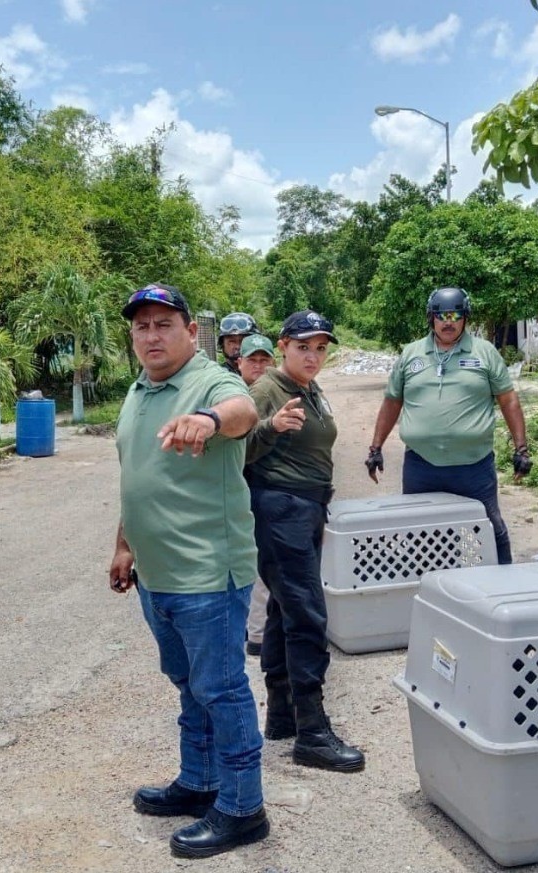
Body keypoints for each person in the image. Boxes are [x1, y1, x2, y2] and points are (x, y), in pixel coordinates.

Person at [108, 283, 270, 859]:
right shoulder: (139, 390)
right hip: (156, 575)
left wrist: (207, 418)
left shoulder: (210, 382)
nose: (151, 336)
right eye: (141, 326)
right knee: (189, 686)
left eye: (163, 324)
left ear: (189, 331)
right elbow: (137, 477)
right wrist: (125, 545)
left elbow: (244, 410)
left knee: (222, 690)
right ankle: (199, 782)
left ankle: (243, 808)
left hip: (207, 575)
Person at [245, 310, 365, 773]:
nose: (312, 355)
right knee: (307, 613)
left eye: (319, 348)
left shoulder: (308, 388)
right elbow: (237, 447)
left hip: (305, 508)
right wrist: (271, 428)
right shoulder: (266, 390)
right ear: (283, 347)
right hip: (281, 509)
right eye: (303, 347)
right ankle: (313, 731)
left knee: (283, 609)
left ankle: (281, 716)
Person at [366, 287, 531, 566]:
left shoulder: (485, 352)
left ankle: (504, 586)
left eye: (455, 315)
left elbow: (509, 401)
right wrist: (375, 447)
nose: (448, 322)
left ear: (465, 317)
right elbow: (392, 402)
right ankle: (435, 593)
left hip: (474, 467)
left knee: (490, 531)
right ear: (431, 318)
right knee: (422, 538)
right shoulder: (411, 353)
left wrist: (521, 448)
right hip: (422, 466)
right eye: (441, 315)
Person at [236, 333, 275, 658]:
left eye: (265, 360)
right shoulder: (231, 397)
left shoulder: (276, 393)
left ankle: (259, 630)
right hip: (240, 490)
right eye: (253, 360)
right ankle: (257, 632)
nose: (259, 366)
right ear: (240, 363)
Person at [217, 311, 260, 375]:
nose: (238, 346)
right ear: (223, 345)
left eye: (243, 341)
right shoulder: (216, 376)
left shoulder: (262, 372)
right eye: (232, 342)